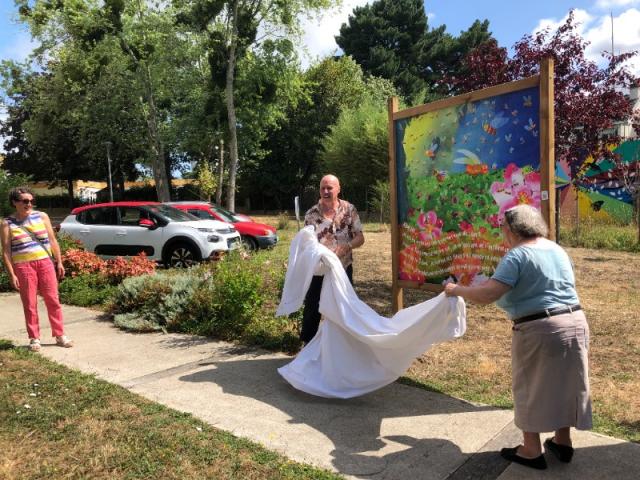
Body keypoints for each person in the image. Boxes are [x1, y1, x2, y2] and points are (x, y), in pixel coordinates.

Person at [444, 204, 591, 470]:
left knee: (528, 385)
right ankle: (563, 441)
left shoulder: (517, 255)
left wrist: (456, 290)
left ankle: (531, 449)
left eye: (502, 228)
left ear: (511, 230)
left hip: (539, 329)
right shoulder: (557, 249)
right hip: (575, 322)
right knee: (566, 383)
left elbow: (488, 294)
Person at [1, 187, 73, 352]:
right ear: (15, 202)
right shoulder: (7, 223)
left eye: (31, 201)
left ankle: (60, 334)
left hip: (45, 263)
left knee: (53, 299)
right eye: (25, 201)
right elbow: (6, 251)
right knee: (29, 303)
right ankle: (34, 338)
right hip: (23, 266)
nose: (29, 204)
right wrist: (12, 274)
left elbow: (53, 240)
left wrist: (59, 262)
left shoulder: (41, 216)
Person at [300, 174, 365, 344]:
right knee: (313, 307)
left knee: (345, 307)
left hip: (343, 268)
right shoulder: (311, 214)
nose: (326, 191)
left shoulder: (349, 209)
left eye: (330, 188)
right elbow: (306, 243)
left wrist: (347, 246)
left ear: (338, 189)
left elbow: (360, 237)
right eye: (323, 188)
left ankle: (345, 347)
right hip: (319, 269)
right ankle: (308, 347)